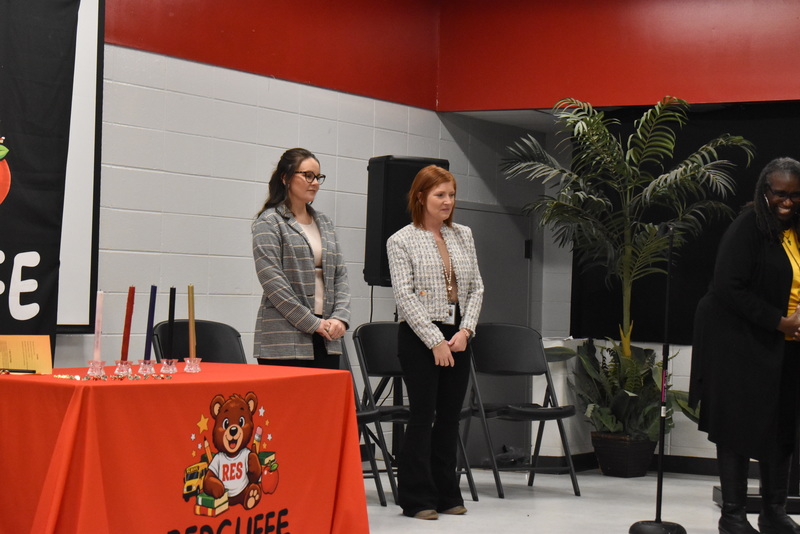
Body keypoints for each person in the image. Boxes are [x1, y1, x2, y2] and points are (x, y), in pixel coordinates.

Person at [691, 157, 800, 534]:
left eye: (796, 195)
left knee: (782, 425)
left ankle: (773, 511)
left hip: (782, 344)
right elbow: (728, 287)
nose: (788, 201)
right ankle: (733, 517)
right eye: (780, 194)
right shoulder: (748, 226)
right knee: (736, 426)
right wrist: (778, 320)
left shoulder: (796, 231)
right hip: (736, 341)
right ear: (764, 191)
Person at [386, 165, 483, 520]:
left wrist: (466, 331)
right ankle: (416, 497)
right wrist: (435, 341)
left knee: (449, 419)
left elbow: (476, 288)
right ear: (421, 197)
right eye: (439, 195)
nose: (447, 201)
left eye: (451, 195)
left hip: (458, 336)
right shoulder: (401, 240)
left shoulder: (463, 235)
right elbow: (405, 297)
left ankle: (447, 493)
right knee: (423, 416)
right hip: (419, 337)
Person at [252, 148, 350, 369]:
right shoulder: (269, 222)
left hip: (327, 337)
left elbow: (340, 275)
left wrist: (340, 318)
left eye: (318, 177)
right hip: (284, 341)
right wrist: (311, 323)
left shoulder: (324, 222)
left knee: (323, 403)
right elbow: (273, 283)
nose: (314, 182)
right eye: (307, 175)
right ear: (285, 177)